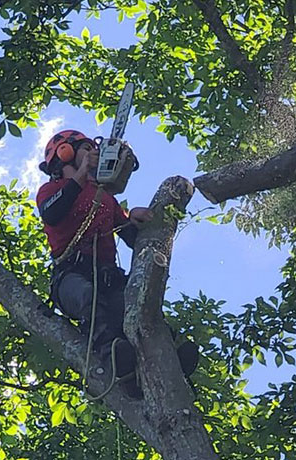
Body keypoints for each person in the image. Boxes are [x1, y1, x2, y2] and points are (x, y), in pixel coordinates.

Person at [36, 130, 197, 396]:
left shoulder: (105, 199)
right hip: (70, 277)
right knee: (88, 296)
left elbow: (132, 238)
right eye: (86, 149)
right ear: (64, 154)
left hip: (109, 278)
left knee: (132, 306)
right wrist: (82, 174)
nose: (93, 154)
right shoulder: (51, 191)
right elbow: (52, 213)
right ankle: (112, 357)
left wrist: (135, 219)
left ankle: (168, 353)